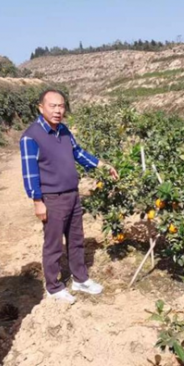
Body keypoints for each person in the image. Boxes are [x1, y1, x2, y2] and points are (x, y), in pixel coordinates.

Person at [20, 89, 119, 304]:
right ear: (41, 108)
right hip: (52, 198)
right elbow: (30, 173)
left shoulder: (63, 131)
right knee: (53, 244)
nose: (57, 110)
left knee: (76, 239)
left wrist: (102, 165)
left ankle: (80, 279)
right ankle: (54, 287)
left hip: (72, 194)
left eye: (61, 106)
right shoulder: (31, 136)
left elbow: (79, 153)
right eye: (52, 106)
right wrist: (38, 201)